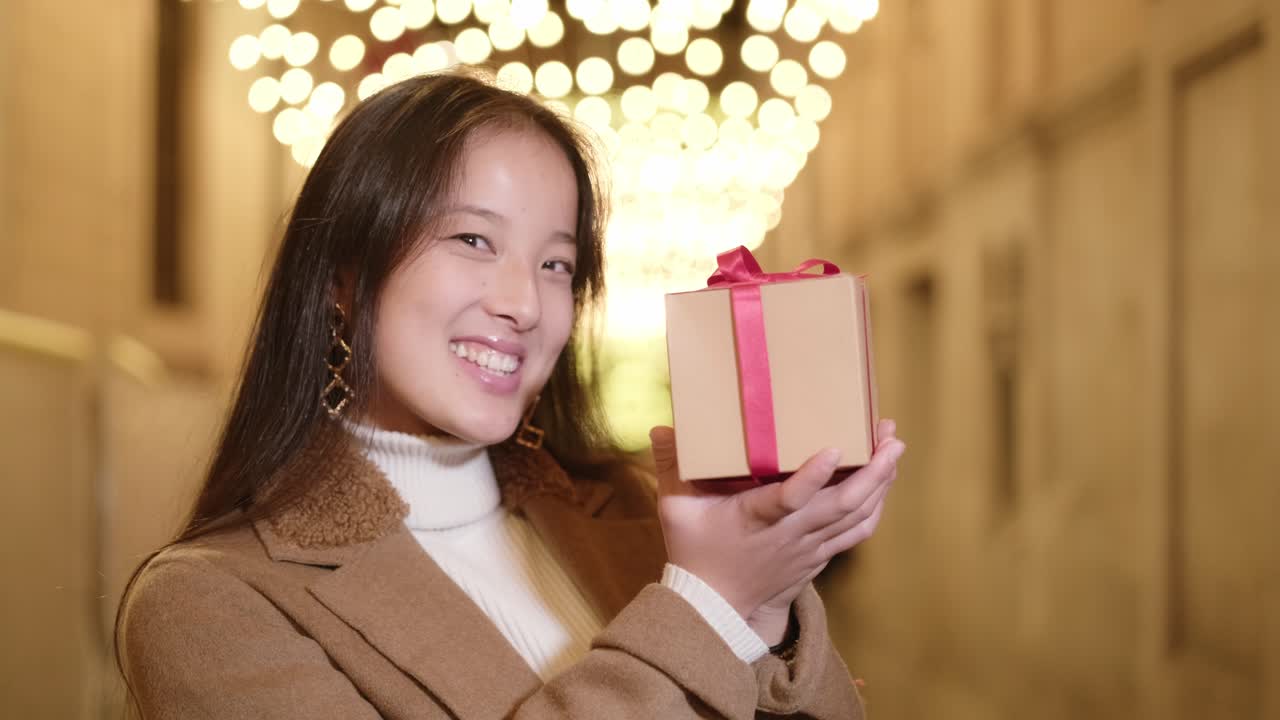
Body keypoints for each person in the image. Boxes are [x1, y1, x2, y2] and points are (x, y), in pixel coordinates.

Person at [117, 71, 905, 719]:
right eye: (472, 240)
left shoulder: (629, 516)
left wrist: (761, 602)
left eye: (556, 264)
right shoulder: (209, 602)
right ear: (341, 280)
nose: (525, 305)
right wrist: (708, 606)